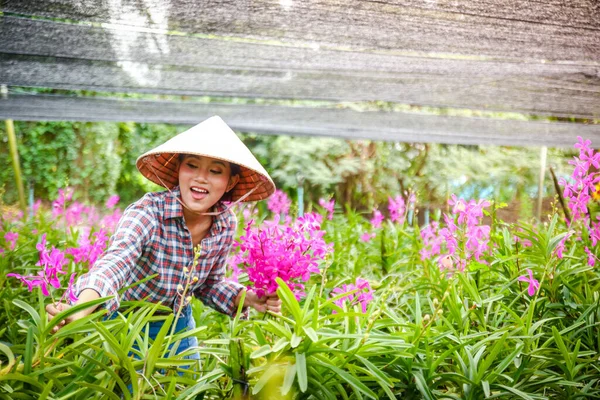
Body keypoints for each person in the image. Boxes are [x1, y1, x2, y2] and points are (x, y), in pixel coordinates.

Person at [46, 115, 281, 358]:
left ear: (230, 182)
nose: (201, 177)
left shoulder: (225, 223)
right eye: (192, 165)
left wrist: (249, 298)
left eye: (215, 170)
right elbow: (115, 263)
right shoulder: (148, 213)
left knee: (186, 393)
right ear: (178, 168)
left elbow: (210, 285)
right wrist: (80, 308)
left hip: (179, 324)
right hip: (127, 322)